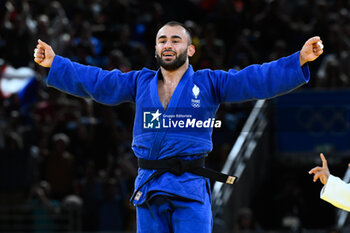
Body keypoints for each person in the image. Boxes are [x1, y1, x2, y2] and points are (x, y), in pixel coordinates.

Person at [34, 21, 323, 233]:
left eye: (175, 40)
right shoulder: (139, 82)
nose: (168, 45)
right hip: (150, 183)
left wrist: (298, 59)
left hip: (190, 186)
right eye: (162, 40)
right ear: (155, 48)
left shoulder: (210, 82)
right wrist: (56, 64)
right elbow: (98, 82)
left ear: (190, 49)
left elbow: (253, 79)